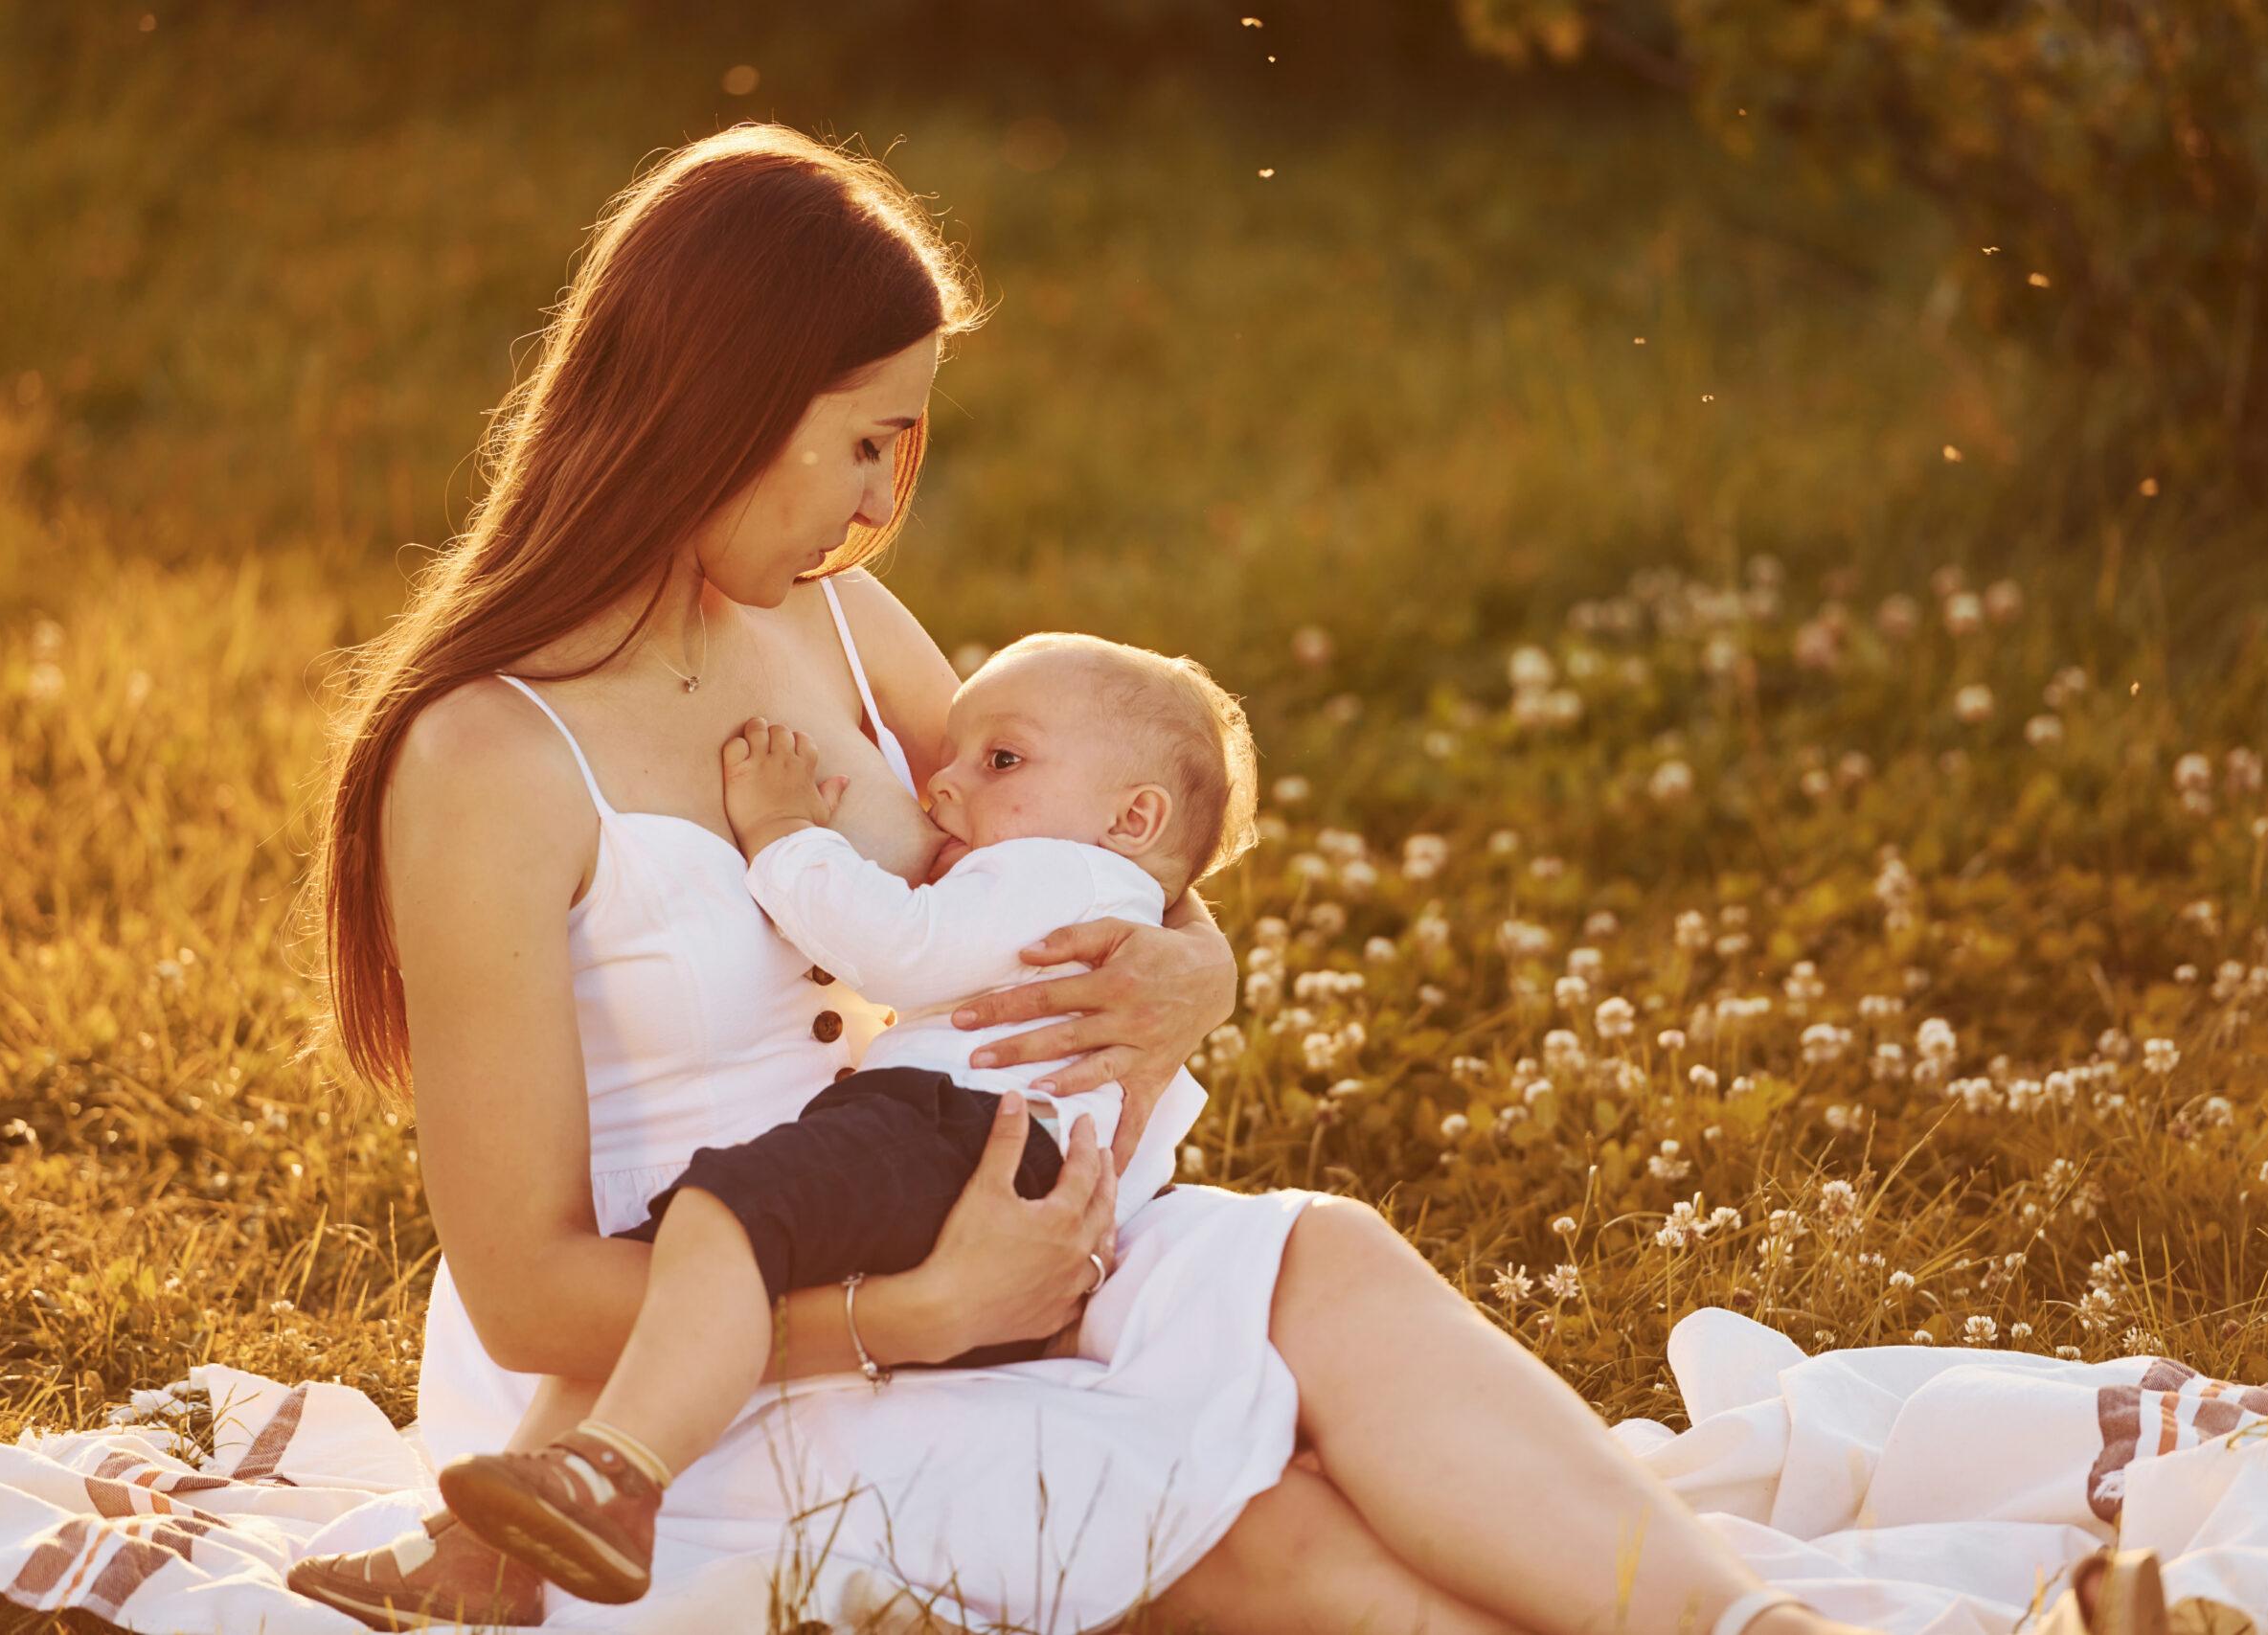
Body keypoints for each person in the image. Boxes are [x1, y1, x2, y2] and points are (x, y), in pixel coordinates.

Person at [283, 121, 1908, 1635]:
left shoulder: (834, 625)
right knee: (1245, 1508)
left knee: (1319, 1258)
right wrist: (909, 1313)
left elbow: (1100, 851)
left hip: (941, 1190)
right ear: (720, 396)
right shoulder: (488, 762)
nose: (876, 502)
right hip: (657, 1392)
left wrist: (1201, 974)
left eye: (899, 448)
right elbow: (524, 1296)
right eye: (861, 441)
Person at [372, 635, 1254, 1614]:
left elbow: (901, 951)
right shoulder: (1091, 876)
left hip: (949, 1133)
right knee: (683, 1264)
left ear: (1133, 818)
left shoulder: (1054, 876)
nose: (940, 789)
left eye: (998, 762)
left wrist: (784, 831)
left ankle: (618, 1481)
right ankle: (487, 1555)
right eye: (954, 757)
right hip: (967, 1151)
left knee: (713, 1218)